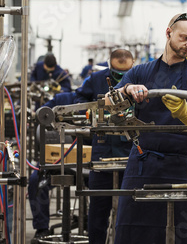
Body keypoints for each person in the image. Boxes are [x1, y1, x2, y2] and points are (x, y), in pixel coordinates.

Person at [110, 13, 187, 244]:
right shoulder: (141, 72)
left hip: (177, 166)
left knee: (178, 233)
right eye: (184, 37)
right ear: (168, 33)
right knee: (132, 230)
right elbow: (109, 102)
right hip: (141, 162)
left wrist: (185, 113)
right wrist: (128, 89)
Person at [74, 49, 134, 244]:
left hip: (132, 152)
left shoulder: (141, 79)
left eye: (125, 74)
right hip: (102, 151)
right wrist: (92, 112)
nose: (121, 78)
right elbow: (79, 101)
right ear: (109, 65)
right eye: (117, 73)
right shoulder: (95, 79)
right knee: (99, 209)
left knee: (131, 209)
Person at [28, 91, 77, 241]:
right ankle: (42, 228)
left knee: (103, 183)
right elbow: (42, 114)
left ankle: (98, 225)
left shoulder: (107, 101)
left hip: (87, 162)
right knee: (36, 181)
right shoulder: (65, 98)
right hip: (57, 160)